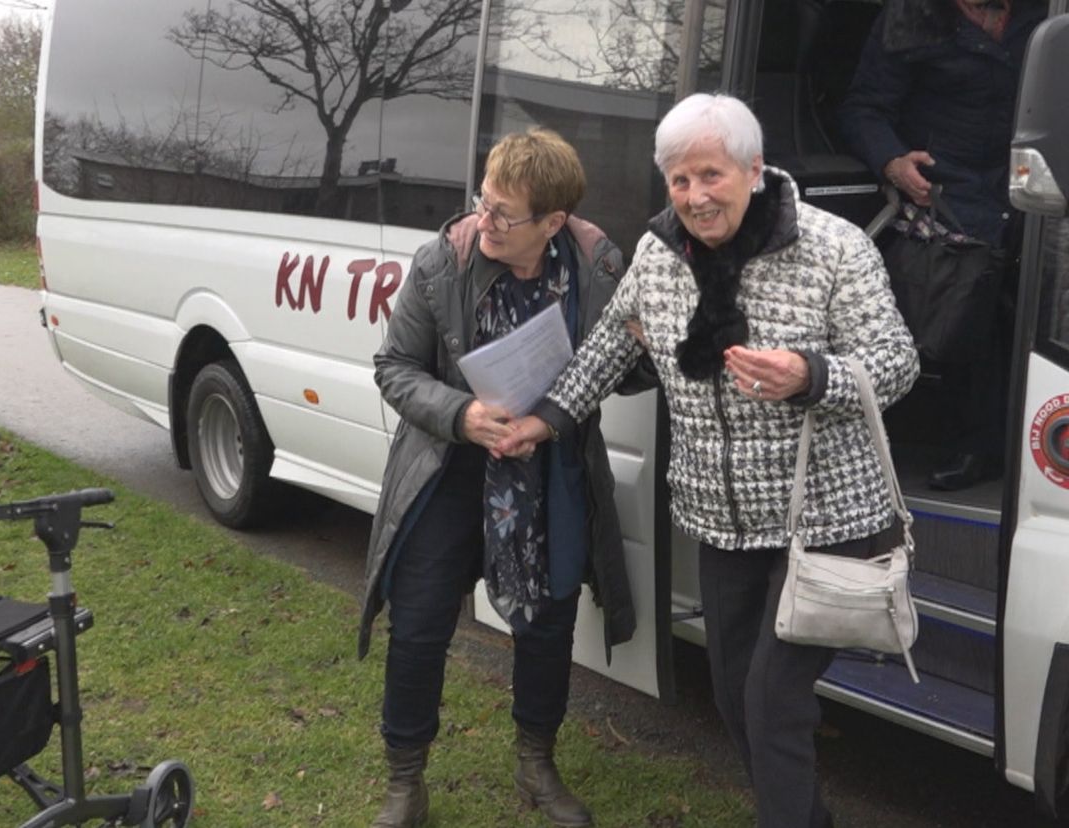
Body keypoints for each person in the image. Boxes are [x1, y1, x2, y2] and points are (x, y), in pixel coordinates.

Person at [497, 94, 920, 828]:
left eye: (711, 176)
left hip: (827, 518)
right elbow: (607, 350)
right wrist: (543, 419)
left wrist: (810, 375)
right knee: (733, 697)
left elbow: (896, 362)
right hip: (723, 523)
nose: (695, 197)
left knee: (771, 699)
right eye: (679, 180)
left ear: (754, 170)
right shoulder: (660, 255)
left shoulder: (834, 247)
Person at [357, 127, 650, 828]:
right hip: (449, 468)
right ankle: (406, 782)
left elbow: (627, 371)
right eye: (483, 203)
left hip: (549, 469)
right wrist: (462, 414)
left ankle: (535, 767)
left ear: (552, 222)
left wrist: (647, 342)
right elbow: (393, 368)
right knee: (421, 625)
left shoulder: (597, 264)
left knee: (547, 629)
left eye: (502, 214)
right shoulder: (442, 261)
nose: (482, 221)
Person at [839, 0, 1045, 490]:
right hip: (947, 190)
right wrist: (891, 162)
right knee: (972, 306)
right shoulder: (910, 16)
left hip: (1033, 179)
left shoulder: (1044, 15)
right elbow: (862, 109)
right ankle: (978, 446)